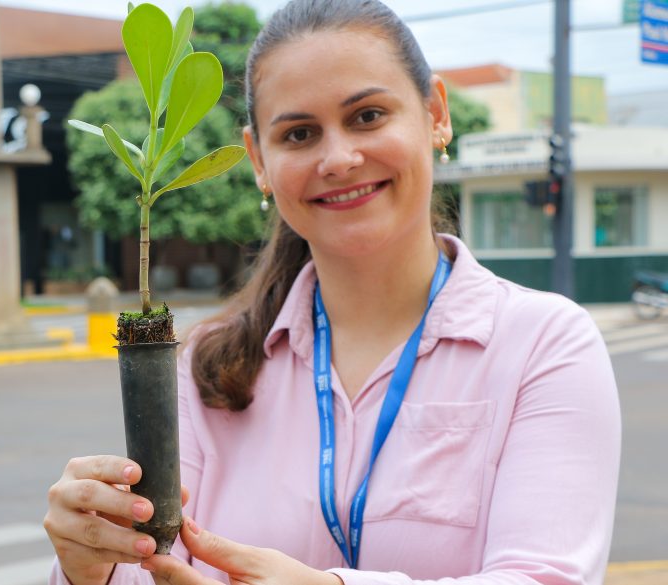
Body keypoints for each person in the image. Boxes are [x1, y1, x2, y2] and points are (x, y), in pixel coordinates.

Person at [43, 1, 621, 584]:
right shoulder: (205, 367)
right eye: (299, 133)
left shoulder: (544, 345)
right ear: (259, 161)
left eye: (368, 116)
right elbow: (159, 568)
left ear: (436, 114)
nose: (339, 159)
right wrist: (91, 566)